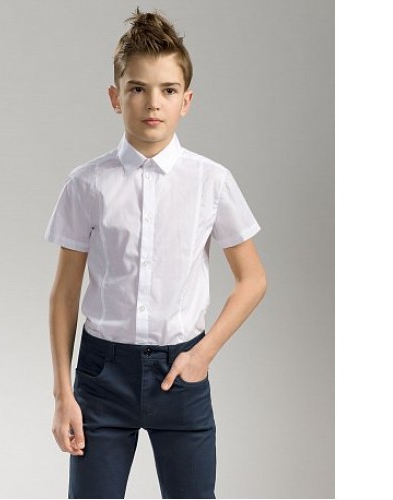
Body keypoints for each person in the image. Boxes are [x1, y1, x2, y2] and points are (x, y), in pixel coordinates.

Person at [44, 7, 267, 499]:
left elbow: (253, 279)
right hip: (102, 375)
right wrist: (63, 394)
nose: (153, 103)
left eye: (168, 90)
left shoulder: (211, 182)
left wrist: (203, 355)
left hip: (180, 373)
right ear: (115, 96)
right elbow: (65, 295)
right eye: (137, 88)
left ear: (186, 101)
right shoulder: (86, 184)